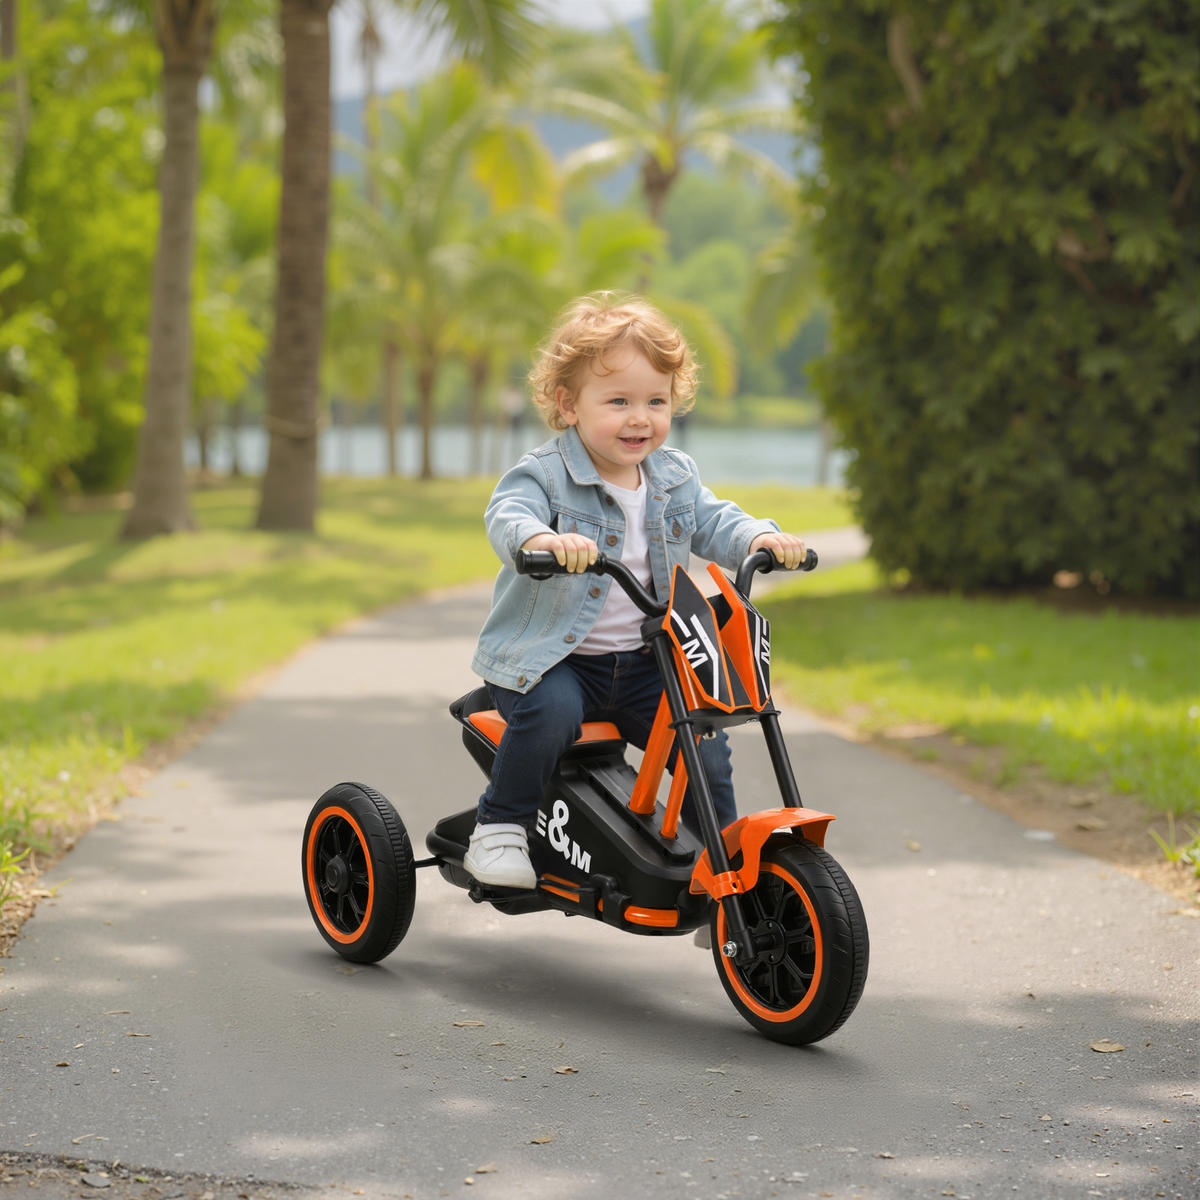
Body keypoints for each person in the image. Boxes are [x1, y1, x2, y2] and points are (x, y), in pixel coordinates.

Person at [465, 293, 807, 888]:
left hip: (649, 666)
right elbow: (508, 515)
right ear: (569, 405)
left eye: (656, 401)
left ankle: (726, 875)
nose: (639, 418)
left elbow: (714, 520)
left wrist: (759, 536)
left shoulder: (674, 476)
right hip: (551, 662)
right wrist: (542, 540)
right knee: (552, 712)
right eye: (618, 401)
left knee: (702, 737)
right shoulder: (545, 474)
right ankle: (500, 828)